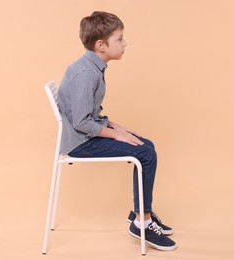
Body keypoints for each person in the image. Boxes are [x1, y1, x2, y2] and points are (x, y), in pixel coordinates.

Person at [57, 11, 177, 251]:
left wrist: (116, 126)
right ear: (101, 45)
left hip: (86, 135)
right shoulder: (86, 74)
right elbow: (82, 122)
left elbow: (91, 114)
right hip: (80, 143)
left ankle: (141, 213)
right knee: (146, 154)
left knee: (147, 144)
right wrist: (116, 135)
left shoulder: (93, 67)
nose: (125, 44)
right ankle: (141, 223)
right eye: (120, 39)